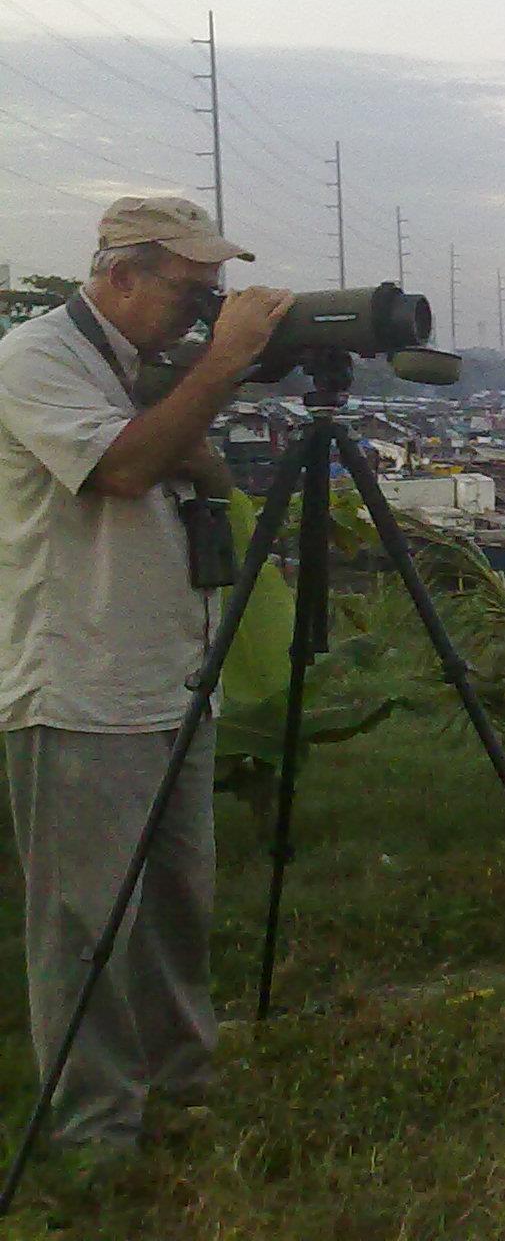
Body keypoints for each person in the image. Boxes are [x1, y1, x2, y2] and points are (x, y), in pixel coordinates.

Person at [0, 196, 292, 1154]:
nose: (204, 312)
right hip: (79, 681)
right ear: (118, 274)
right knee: (85, 920)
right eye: (191, 291)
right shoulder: (37, 359)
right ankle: (95, 1131)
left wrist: (205, 438)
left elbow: (179, 469)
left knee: (176, 902)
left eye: (215, 295)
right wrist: (222, 363)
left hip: (169, 672)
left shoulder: (141, 368)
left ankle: (180, 1083)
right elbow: (121, 473)